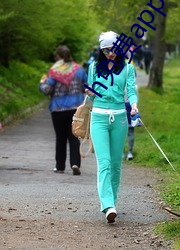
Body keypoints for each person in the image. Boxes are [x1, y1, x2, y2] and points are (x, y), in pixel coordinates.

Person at [85, 31, 138, 223]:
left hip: (120, 119)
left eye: (113, 50)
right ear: (101, 50)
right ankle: (107, 204)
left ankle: (112, 201)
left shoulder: (127, 68)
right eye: (106, 50)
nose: (110, 54)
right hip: (98, 118)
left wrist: (133, 104)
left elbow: (131, 90)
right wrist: (89, 92)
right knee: (104, 163)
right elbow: (90, 95)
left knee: (116, 164)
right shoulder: (94, 68)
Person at [39, 45, 87, 175]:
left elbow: (47, 90)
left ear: (58, 57)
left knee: (60, 138)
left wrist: (42, 83)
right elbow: (86, 87)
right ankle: (75, 163)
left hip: (58, 109)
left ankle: (60, 167)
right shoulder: (79, 70)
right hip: (75, 109)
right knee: (74, 136)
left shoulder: (54, 71)